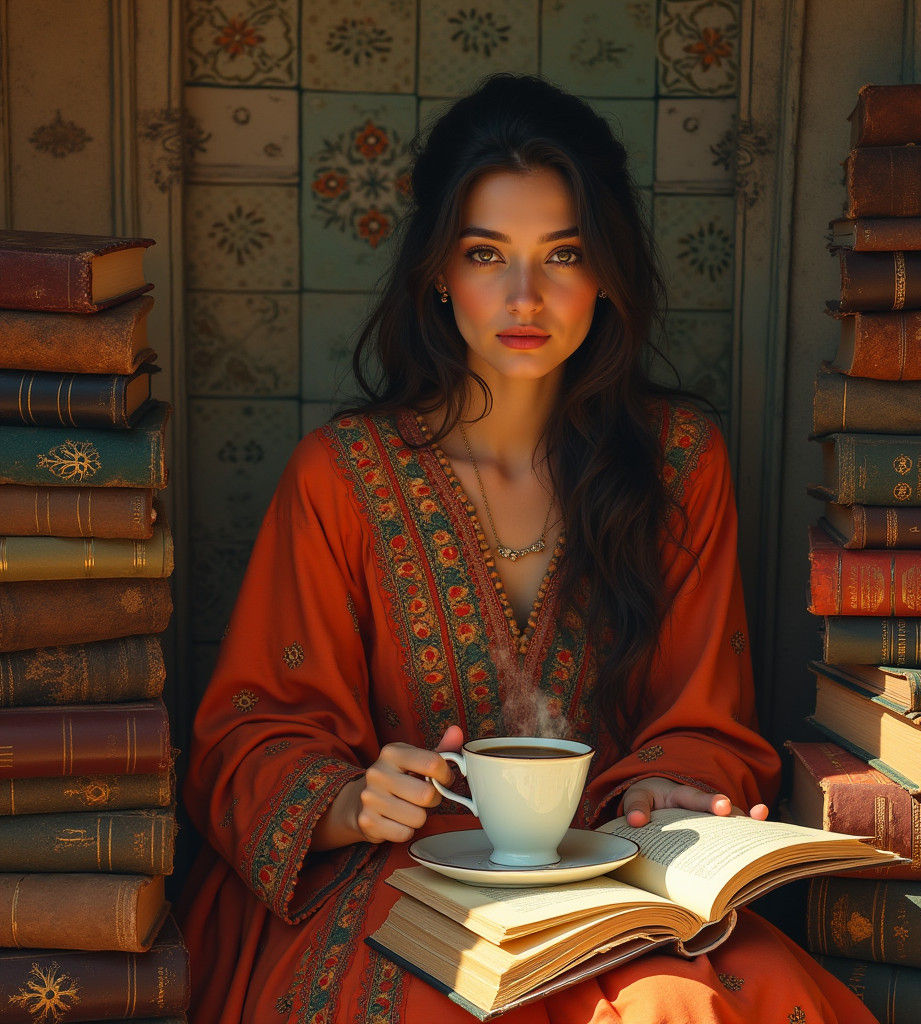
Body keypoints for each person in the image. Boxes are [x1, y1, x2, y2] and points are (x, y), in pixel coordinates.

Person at [179, 74, 878, 1024]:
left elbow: (702, 717)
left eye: (562, 254)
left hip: (610, 872)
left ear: (607, 271)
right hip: (397, 873)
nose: (523, 295)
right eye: (484, 252)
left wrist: (671, 786)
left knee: (688, 1007)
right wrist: (352, 800)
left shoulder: (678, 463)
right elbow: (251, 730)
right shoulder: (341, 474)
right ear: (437, 270)